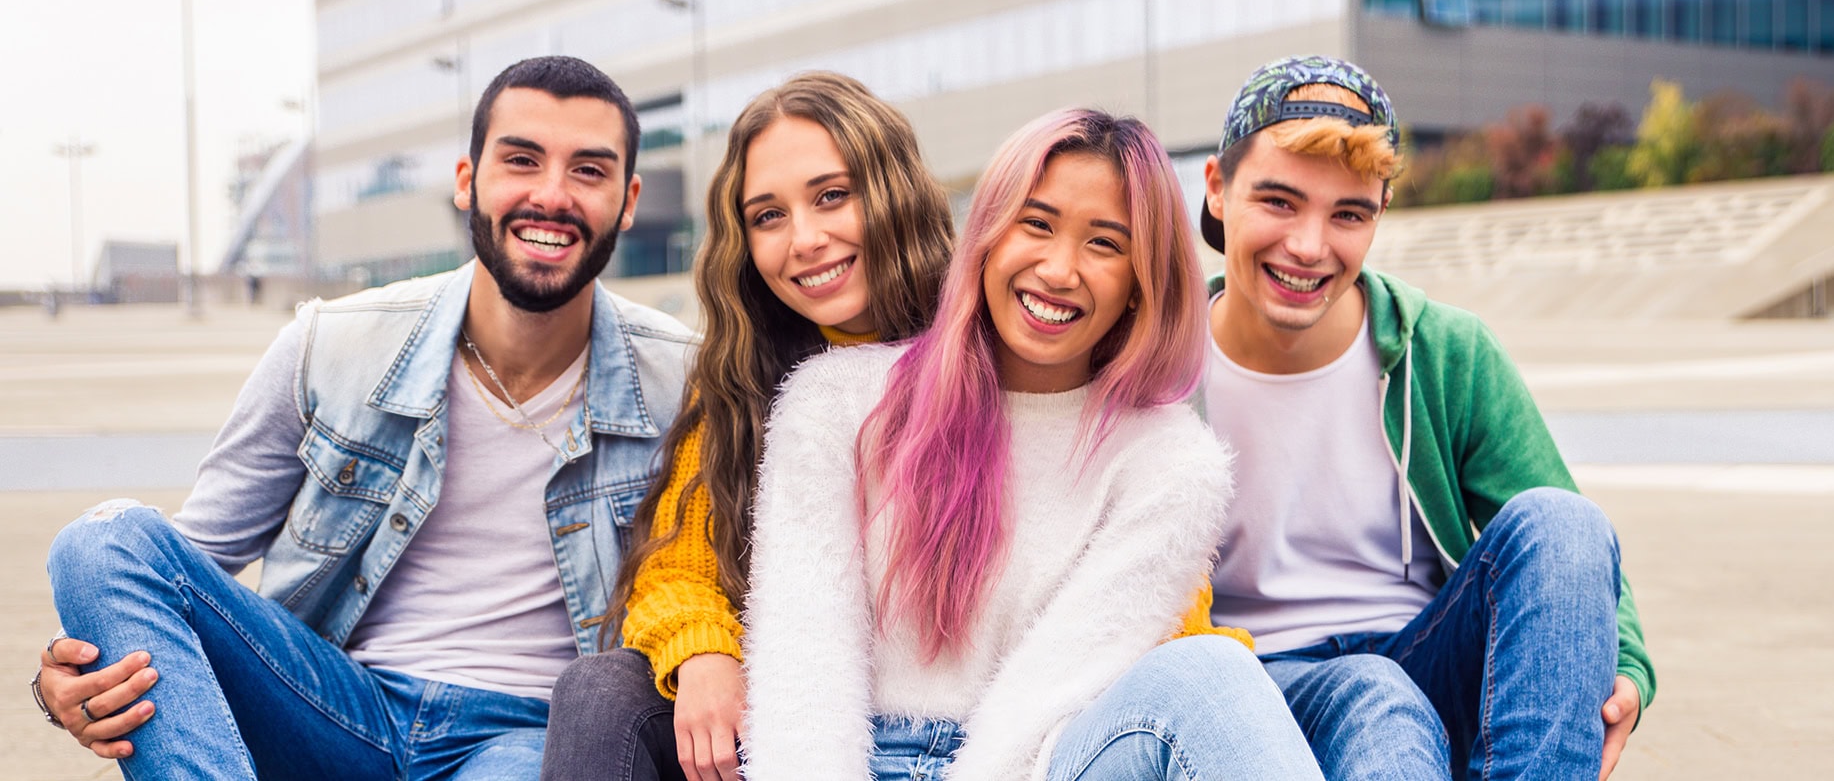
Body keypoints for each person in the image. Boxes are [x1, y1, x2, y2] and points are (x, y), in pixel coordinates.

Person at [34, 55, 694, 780]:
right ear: (468, 181)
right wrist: (62, 683)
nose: (551, 194)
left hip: (519, 737)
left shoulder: (684, 382)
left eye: (588, 171)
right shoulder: (333, 345)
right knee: (102, 542)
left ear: (629, 201)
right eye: (522, 160)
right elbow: (184, 570)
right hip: (336, 704)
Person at [740, 109, 1322, 781]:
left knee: (1215, 673)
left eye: (1104, 243)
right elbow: (802, 659)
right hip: (865, 755)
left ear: (1142, 281)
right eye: (1037, 223)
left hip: (1039, 762)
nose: (1058, 268)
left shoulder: (1173, 462)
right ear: (988, 233)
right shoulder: (837, 401)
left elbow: (1049, 699)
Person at [1196, 55, 1657, 780]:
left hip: (1427, 655)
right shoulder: (1155, 364)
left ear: (1380, 212)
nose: (1310, 246)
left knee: (1565, 523)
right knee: (1375, 699)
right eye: (1279, 202)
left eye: (1348, 213)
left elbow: (1571, 551)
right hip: (1252, 686)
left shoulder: (1444, 349)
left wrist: (1626, 664)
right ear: (1219, 189)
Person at [538, 71, 956, 781]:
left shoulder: (988, 341)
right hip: (791, 725)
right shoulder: (743, 375)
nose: (806, 239)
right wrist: (703, 649)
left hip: (960, 721)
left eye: (832, 196)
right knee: (600, 689)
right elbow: (675, 564)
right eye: (768, 216)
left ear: (893, 190)